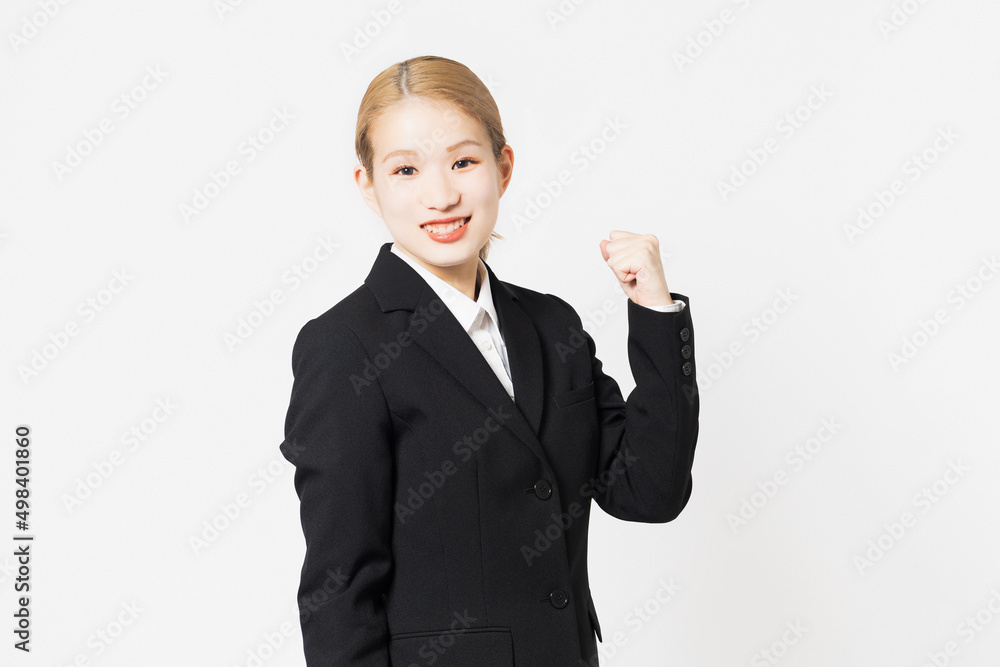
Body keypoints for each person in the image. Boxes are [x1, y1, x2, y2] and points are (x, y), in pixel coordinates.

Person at [279, 54, 699, 667]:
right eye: (405, 170)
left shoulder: (551, 325)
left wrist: (655, 312)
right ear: (368, 185)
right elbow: (339, 589)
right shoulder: (345, 346)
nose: (441, 195)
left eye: (463, 162)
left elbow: (650, 492)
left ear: (503, 168)